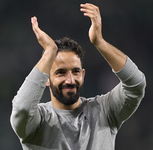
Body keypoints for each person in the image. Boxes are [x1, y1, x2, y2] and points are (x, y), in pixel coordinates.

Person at [10, 3, 146, 150]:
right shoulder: (37, 121)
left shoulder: (104, 111)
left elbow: (136, 85)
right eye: (61, 72)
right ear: (46, 79)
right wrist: (50, 51)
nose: (70, 80)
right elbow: (22, 109)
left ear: (83, 74)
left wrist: (99, 42)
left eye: (75, 72)